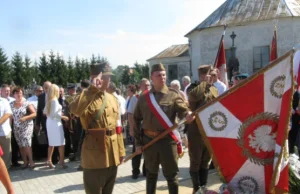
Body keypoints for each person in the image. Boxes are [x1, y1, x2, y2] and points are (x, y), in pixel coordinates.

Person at [133, 63, 194, 194]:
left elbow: (183, 111)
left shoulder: (173, 94)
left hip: (167, 141)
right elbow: (136, 120)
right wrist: (138, 143)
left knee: (172, 176)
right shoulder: (144, 98)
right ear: (152, 77)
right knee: (151, 174)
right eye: (159, 75)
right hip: (149, 141)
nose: (162, 77)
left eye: (164, 75)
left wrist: (187, 115)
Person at [69, 62, 126, 194]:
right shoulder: (86, 97)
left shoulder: (113, 99)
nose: (109, 80)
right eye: (106, 77)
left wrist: (121, 151)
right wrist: (91, 88)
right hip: (94, 155)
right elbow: (75, 110)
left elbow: (118, 126)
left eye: (109, 77)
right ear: (97, 78)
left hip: (112, 154)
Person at [187, 64, 218, 193]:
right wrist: (205, 82)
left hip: (209, 129)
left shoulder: (213, 89)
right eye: (208, 75)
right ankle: (196, 188)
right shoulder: (193, 88)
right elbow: (194, 96)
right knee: (196, 160)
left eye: (212, 75)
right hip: (196, 130)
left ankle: (203, 186)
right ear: (201, 76)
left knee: (206, 159)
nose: (211, 77)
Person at [10, 87, 36, 169]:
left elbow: (34, 113)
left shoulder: (27, 103)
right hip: (17, 128)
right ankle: (25, 162)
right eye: (17, 93)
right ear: (14, 94)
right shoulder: (10, 104)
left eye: (20, 93)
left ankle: (31, 162)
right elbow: (10, 117)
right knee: (21, 145)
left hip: (27, 126)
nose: (19, 94)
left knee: (26, 142)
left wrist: (25, 118)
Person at [44, 84, 69, 168]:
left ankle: (49, 160)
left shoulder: (49, 100)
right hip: (55, 123)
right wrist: (63, 116)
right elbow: (54, 114)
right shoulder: (54, 100)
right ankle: (61, 161)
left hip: (49, 122)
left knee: (51, 143)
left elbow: (45, 112)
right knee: (61, 143)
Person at [0, 97, 13, 168]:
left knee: (6, 154)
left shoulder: (4, 101)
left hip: (4, 132)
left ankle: (6, 171)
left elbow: (8, 113)